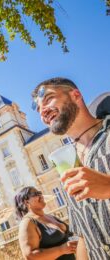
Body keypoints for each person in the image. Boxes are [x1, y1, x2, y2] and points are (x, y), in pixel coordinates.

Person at [31, 77, 110, 259]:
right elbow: (83, 236)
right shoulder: (67, 163)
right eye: (38, 109)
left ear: (76, 95)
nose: (42, 110)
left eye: (48, 98)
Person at [15, 186, 77, 260]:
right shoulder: (27, 223)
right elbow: (30, 256)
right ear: (26, 202)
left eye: (39, 193)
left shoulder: (50, 217)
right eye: (35, 194)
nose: (40, 196)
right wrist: (61, 250)